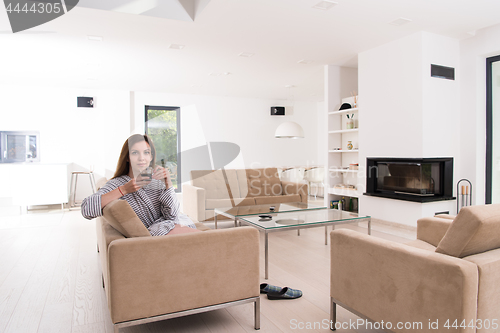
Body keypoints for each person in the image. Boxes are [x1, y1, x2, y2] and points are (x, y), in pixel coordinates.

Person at [81, 134, 198, 236]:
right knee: (208, 242)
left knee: (208, 242)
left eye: (146, 153)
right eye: (135, 153)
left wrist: (168, 184)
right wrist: (124, 190)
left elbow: (173, 216)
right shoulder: (118, 184)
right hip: (154, 234)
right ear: (127, 157)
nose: (141, 158)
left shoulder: (156, 180)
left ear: (151, 157)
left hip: (172, 225)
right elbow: (86, 209)